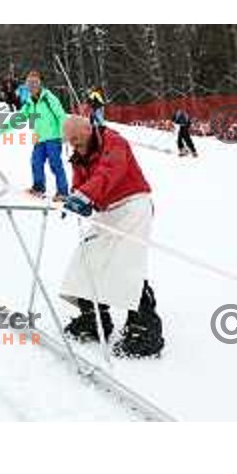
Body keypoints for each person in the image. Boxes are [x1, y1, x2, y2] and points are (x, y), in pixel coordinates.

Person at [60, 115, 164, 358]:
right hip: (107, 210)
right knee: (87, 258)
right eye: (70, 142)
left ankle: (146, 331)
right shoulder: (78, 153)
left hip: (132, 205)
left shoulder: (113, 142)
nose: (74, 145)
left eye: (76, 139)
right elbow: (80, 181)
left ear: (88, 129)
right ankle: (94, 319)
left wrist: (86, 195)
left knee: (125, 263)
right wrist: (76, 197)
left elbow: (109, 171)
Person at [0, 70, 69, 201]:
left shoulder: (48, 98)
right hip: (39, 139)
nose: (32, 86)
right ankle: (38, 188)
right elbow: (16, 120)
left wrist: (64, 133)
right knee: (36, 162)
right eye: (29, 83)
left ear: (40, 84)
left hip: (53, 138)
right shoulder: (29, 102)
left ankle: (63, 192)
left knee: (55, 164)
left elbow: (61, 115)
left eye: (35, 82)